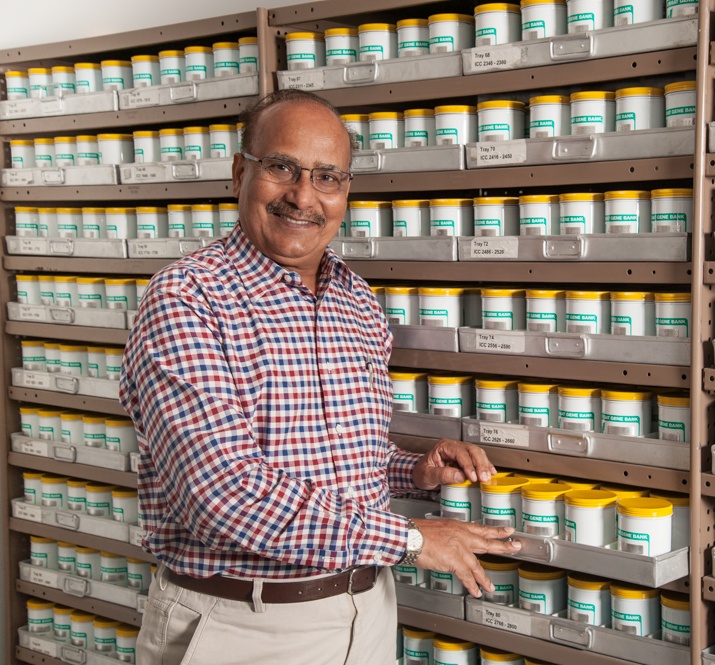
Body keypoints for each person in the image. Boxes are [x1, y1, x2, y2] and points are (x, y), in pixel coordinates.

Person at [119, 89, 521, 665]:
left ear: (346, 190)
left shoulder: (353, 298)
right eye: (282, 167)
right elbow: (224, 496)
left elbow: (336, 455)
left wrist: (415, 470)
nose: (303, 196)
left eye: (327, 177)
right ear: (240, 173)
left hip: (367, 613)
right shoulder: (188, 299)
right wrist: (410, 539)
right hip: (245, 627)